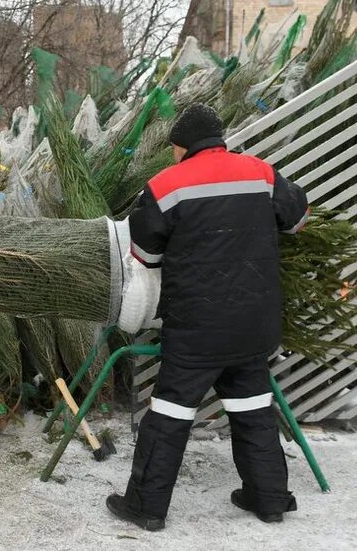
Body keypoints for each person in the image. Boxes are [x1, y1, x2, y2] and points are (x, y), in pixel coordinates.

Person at [107, 103, 309, 530]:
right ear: (219, 140)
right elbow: (298, 220)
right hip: (254, 325)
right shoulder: (262, 173)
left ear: (181, 146)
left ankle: (146, 506)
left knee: (170, 413)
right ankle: (269, 499)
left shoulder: (166, 185)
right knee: (253, 406)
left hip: (197, 328)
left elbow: (144, 253)